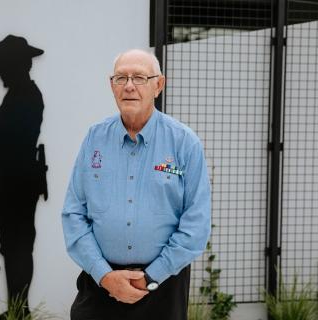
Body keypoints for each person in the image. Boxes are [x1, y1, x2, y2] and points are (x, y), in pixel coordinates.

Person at [62, 49, 211, 320]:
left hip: (161, 288)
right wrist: (104, 275)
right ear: (112, 86)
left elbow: (196, 224)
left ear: (159, 85)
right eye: (121, 78)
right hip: (100, 286)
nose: (129, 85)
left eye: (140, 77)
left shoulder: (184, 143)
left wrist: (150, 277)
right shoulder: (94, 139)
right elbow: (73, 214)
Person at [0, 34, 46, 316]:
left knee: (18, 248)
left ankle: (20, 309)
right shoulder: (19, 95)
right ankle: (18, 308)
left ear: (17, 65)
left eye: (4, 66)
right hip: (10, 183)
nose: (0, 74)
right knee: (13, 247)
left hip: (15, 183)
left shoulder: (27, 96)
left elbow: (14, 144)